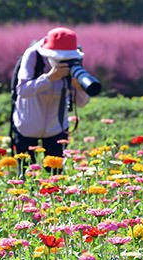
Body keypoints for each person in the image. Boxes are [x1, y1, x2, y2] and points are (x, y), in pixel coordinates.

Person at [12, 27, 90, 177]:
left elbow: (81, 103)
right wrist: (49, 78)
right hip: (27, 125)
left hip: (56, 128)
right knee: (26, 177)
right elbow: (22, 90)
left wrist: (79, 88)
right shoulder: (33, 56)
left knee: (56, 178)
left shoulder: (75, 61)